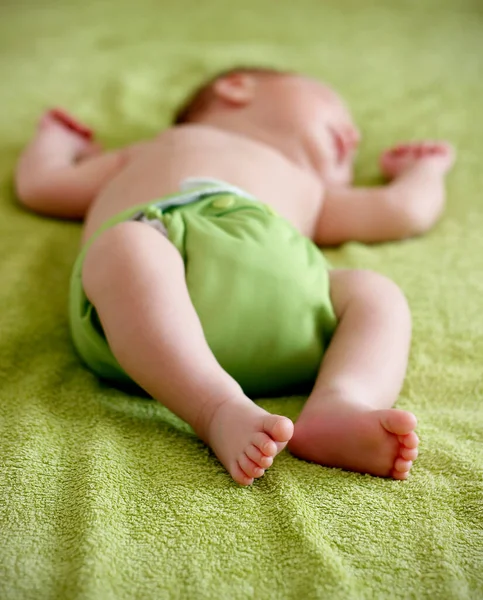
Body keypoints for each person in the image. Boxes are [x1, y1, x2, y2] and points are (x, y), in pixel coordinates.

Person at [15, 67, 455, 486]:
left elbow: (403, 211)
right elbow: (43, 185)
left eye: (353, 152)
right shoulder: (158, 146)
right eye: (334, 108)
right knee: (125, 246)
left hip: (290, 313)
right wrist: (55, 139)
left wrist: (424, 172)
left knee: (375, 293)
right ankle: (214, 406)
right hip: (144, 317)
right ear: (237, 87)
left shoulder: (313, 189)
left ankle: (341, 404)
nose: (353, 138)